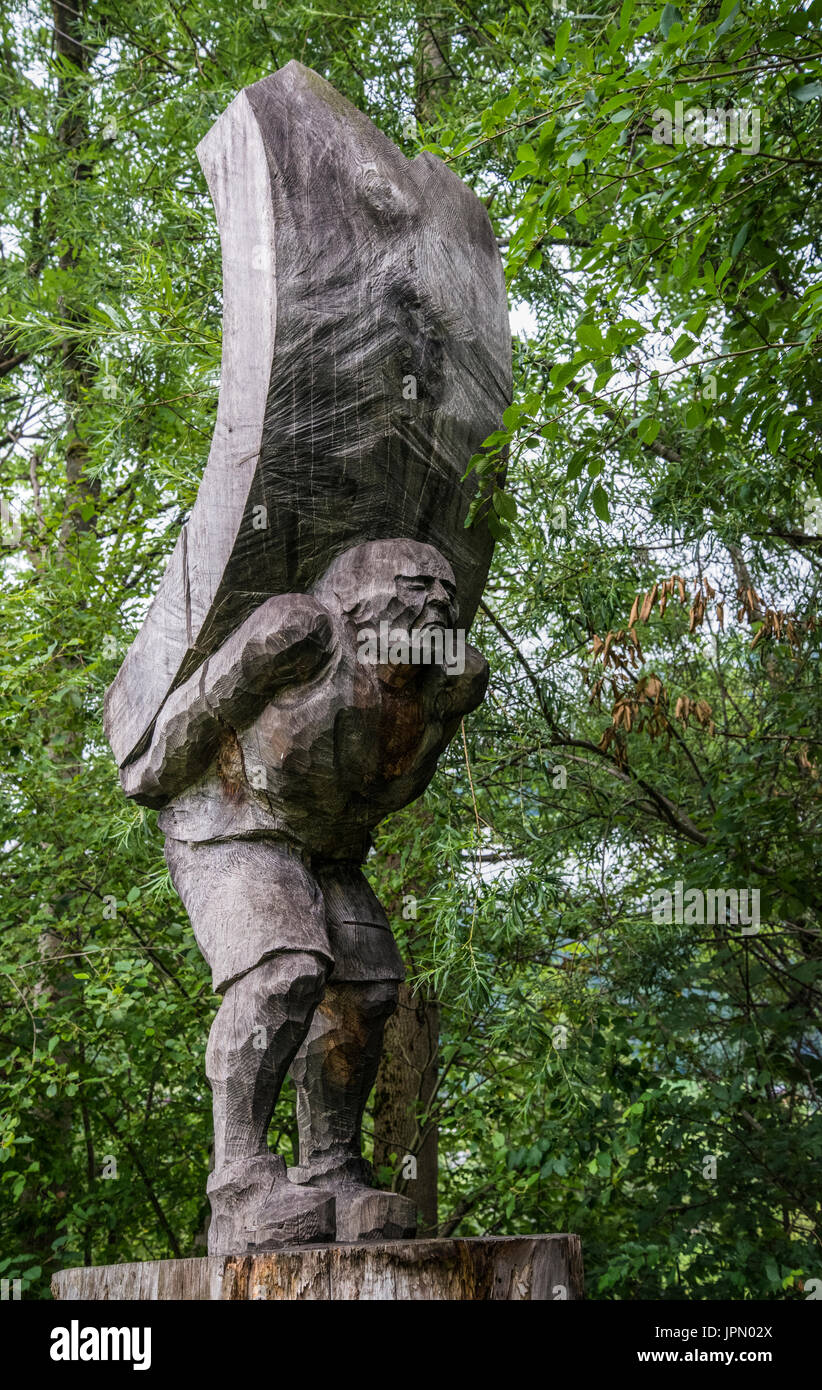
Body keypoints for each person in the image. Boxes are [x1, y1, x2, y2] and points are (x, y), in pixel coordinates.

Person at [118, 539, 488, 1253]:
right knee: (283, 970)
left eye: (446, 590)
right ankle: (241, 1185)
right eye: (412, 588)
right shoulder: (298, 635)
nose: (437, 603)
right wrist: (152, 774)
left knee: (369, 990)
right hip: (229, 822)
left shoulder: (451, 682)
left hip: (329, 844)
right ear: (353, 603)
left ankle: (332, 1170)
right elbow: (187, 723)